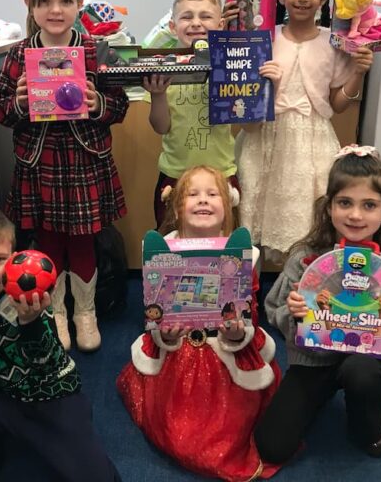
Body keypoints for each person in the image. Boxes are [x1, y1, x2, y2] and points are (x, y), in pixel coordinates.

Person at [0, 0, 128, 352]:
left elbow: (120, 105)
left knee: (84, 241)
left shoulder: (94, 50)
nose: (55, 9)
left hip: (86, 160)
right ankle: (56, 313)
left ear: (79, 4)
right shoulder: (19, 54)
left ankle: (84, 313)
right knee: (48, 240)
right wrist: (19, 102)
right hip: (41, 163)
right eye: (44, 1)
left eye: (65, 0)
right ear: (29, 6)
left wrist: (97, 104)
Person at [254, 146, 381, 463]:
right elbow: (275, 311)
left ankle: (370, 406)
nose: (355, 215)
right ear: (329, 207)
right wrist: (294, 313)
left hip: (363, 361)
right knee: (272, 446)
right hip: (313, 361)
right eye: (345, 203)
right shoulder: (306, 259)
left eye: (369, 205)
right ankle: (325, 392)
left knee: (364, 396)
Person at [0, 203, 121, 482]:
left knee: (95, 476)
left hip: (47, 398)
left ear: (14, 259)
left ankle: (57, 434)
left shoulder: (30, 295)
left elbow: (47, 365)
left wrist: (31, 322)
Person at [117, 166, 282, 482]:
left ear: (227, 207)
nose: (203, 200)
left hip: (225, 349)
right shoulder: (161, 250)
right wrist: (164, 333)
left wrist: (237, 333)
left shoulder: (243, 253)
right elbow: (153, 310)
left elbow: (251, 311)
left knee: (233, 424)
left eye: (212, 193)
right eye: (193, 194)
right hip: (180, 350)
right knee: (178, 428)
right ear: (178, 208)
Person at [236, 0, 374, 262]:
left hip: (312, 141)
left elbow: (337, 104)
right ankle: (251, 299)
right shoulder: (263, 38)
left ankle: (302, 293)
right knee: (255, 217)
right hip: (264, 136)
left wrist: (357, 73)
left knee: (308, 219)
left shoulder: (333, 43)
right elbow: (242, 90)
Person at [142, 0, 239, 228]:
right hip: (175, 175)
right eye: (187, 17)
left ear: (220, 25)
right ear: (173, 27)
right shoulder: (164, 66)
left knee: (223, 244)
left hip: (221, 175)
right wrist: (158, 94)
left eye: (205, 16)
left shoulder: (231, 65)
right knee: (170, 241)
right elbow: (160, 126)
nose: (196, 23)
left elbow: (247, 122)